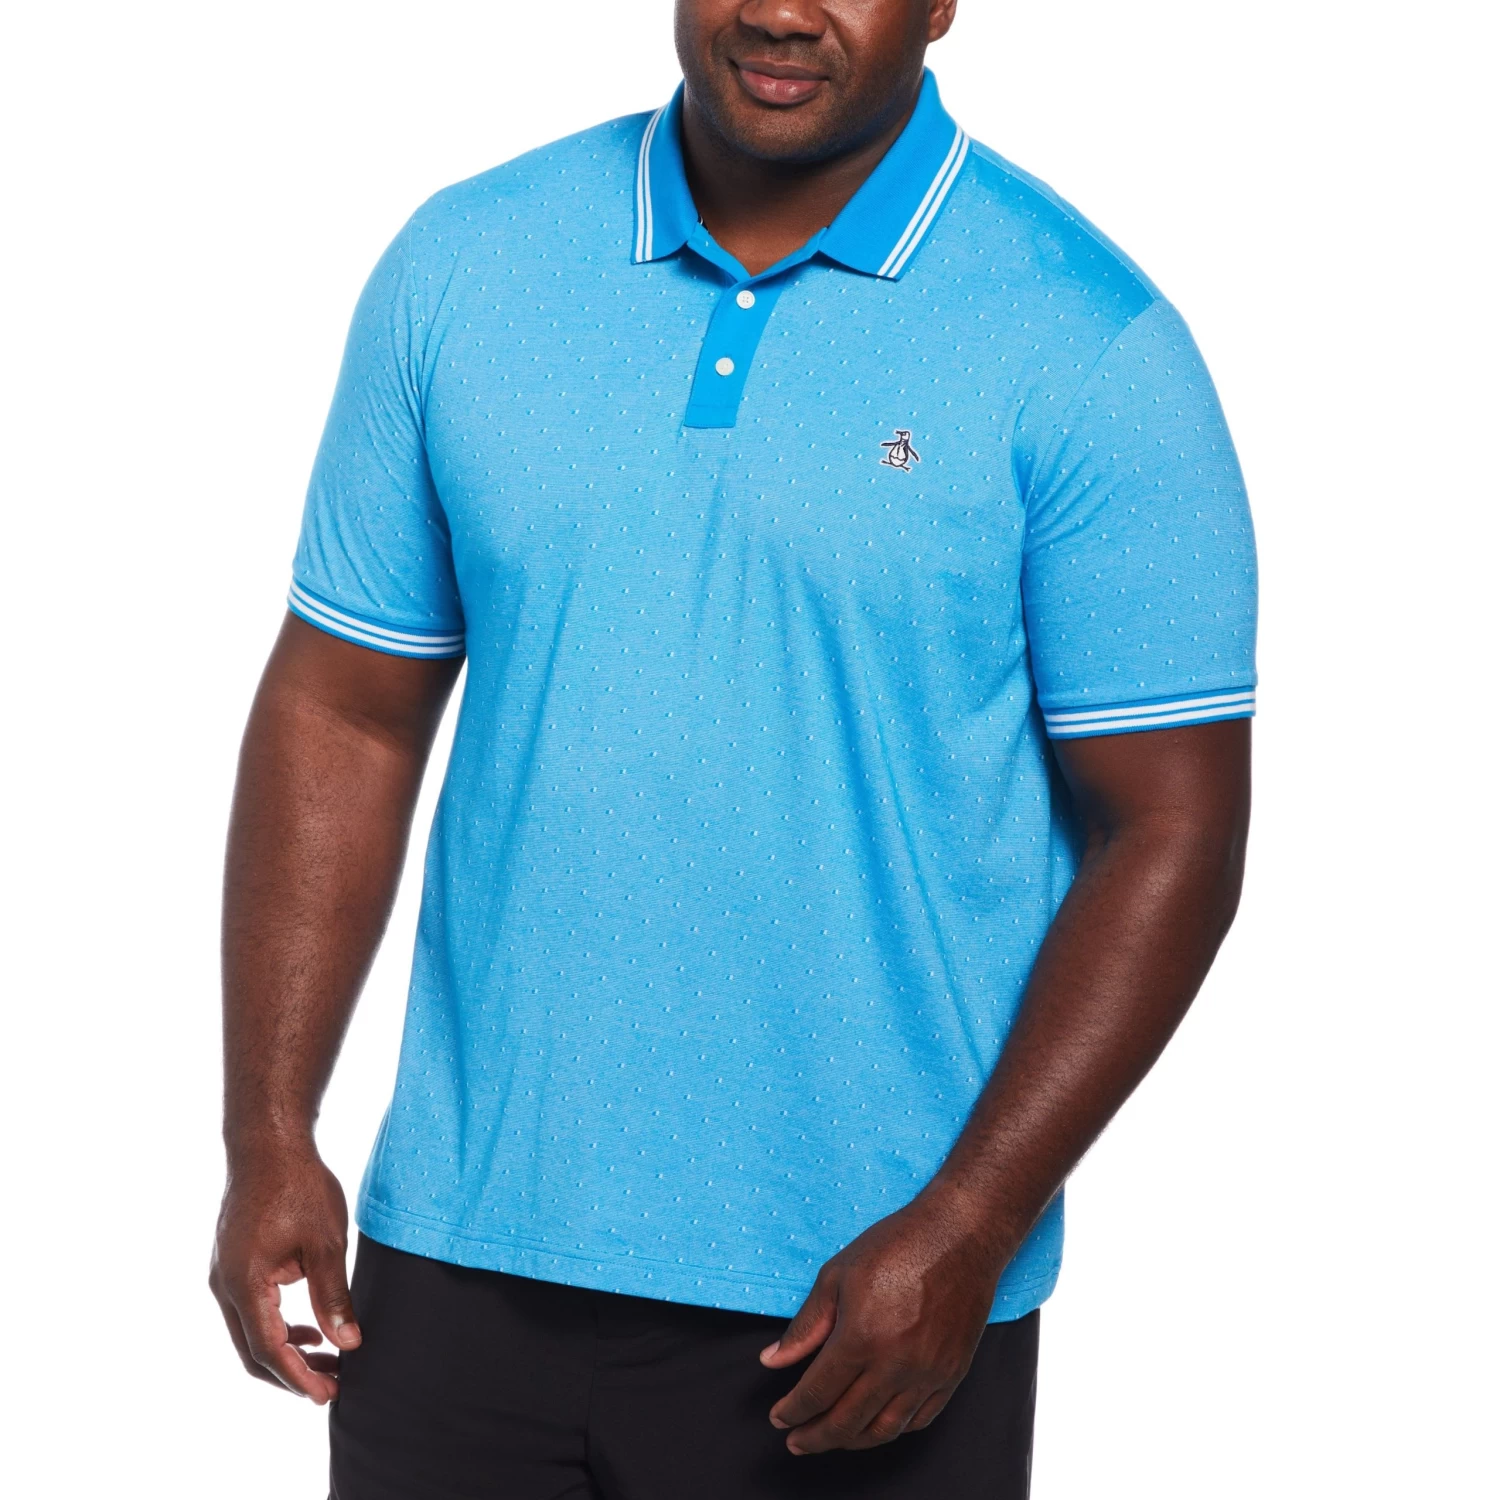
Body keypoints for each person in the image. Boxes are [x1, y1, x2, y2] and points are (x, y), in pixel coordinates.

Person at [210, 1, 1257, 1495]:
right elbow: (345, 710)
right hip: (453, 1267)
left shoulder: (1088, 343)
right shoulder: (465, 265)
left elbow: (1174, 831)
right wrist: (268, 1132)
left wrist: (969, 1227)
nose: (777, 7)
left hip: (862, 1311)